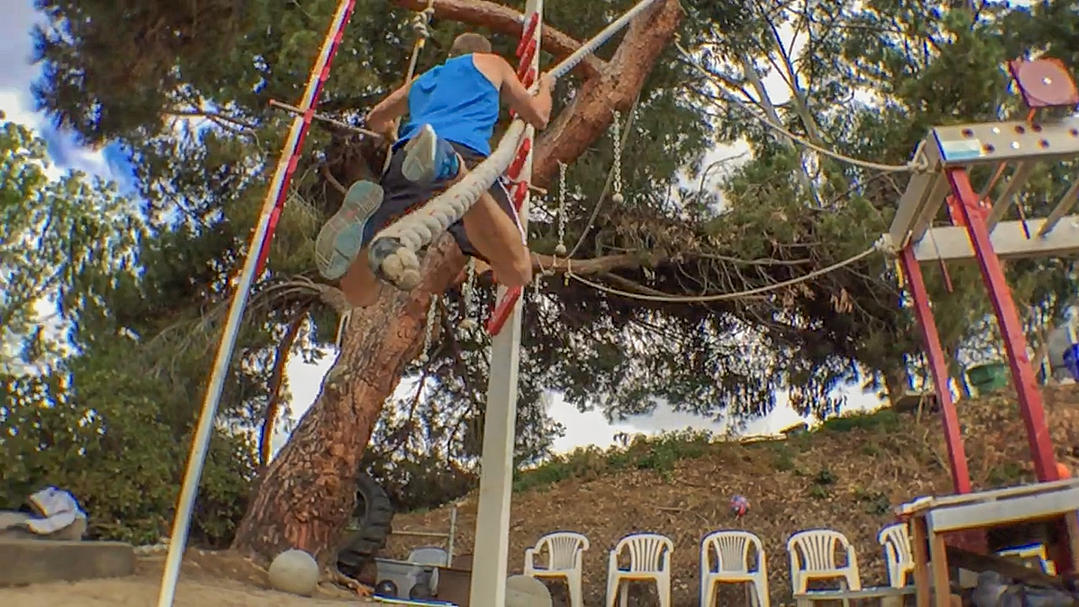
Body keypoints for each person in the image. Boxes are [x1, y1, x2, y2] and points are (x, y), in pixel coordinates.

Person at [315, 32, 554, 306]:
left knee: (360, 296)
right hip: (463, 152)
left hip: (407, 159)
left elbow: (375, 118)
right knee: (516, 270)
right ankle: (453, 170)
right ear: (482, 51)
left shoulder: (424, 79)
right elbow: (539, 116)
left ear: (451, 55)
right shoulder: (492, 63)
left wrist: (391, 133)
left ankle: (365, 236)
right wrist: (545, 85)